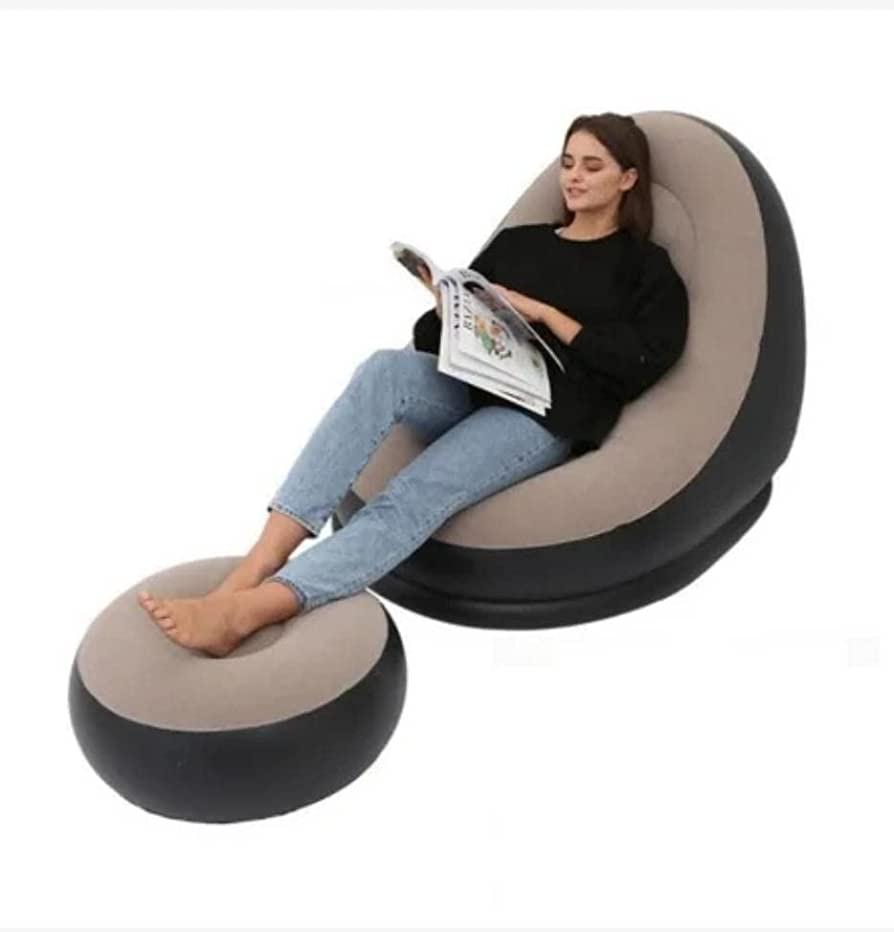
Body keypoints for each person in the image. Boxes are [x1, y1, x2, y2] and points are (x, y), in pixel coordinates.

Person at [137, 112, 689, 657]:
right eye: (567, 163)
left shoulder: (643, 267)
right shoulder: (521, 244)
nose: (574, 176)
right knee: (383, 369)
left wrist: (543, 313)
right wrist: (453, 312)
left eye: (592, 166)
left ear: (628, 178)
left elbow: (640, 361)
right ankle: (257, 564)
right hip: (474, 383)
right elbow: (427, 339)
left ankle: (254, 609)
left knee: (416, 490)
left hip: (543, 411)